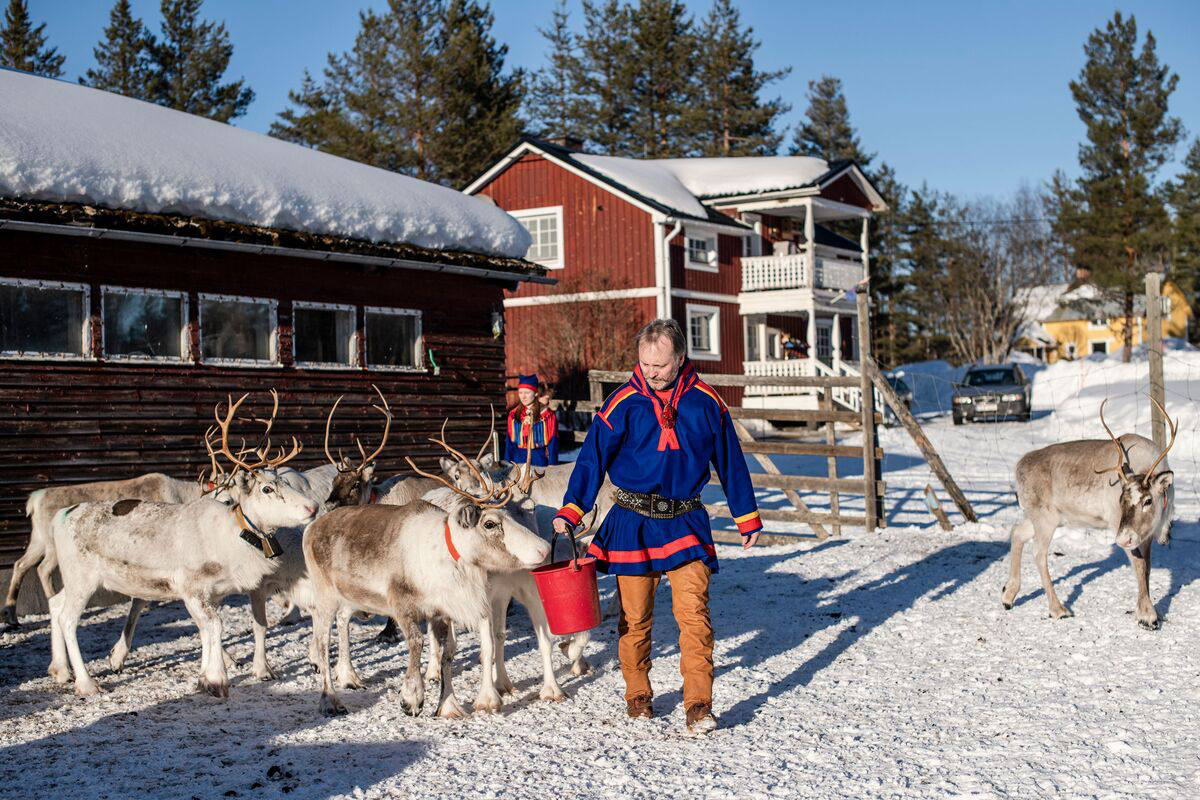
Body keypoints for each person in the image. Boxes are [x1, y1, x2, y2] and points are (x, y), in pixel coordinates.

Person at [552, 319, 762, 733]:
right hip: (633, 521)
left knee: (694, 616)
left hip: (685, 519)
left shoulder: (706, 403)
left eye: (661, 365)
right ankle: (638, 695)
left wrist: (746, 514)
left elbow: (731, 461)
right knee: (635, 619)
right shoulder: (622, 403)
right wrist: (572, 508)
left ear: (681, 358)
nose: (651, 372)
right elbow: (592, 460)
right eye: (645, 363)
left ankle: (699, 705)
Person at [505, 373, 559, 466]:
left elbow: (553, 443)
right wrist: (507, 463)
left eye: (527, 392)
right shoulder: (513, 415)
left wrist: (552, 465)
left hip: (539, 458)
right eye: (520, 392)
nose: (523, 396)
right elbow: (510, 443)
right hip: (518, 459)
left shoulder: (547, 416)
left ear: (536, 393)